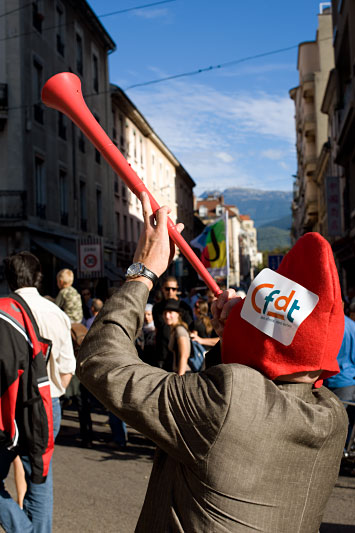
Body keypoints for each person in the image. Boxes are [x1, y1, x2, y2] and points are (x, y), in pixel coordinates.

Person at [77, 192, 347, 533]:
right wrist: (236, 337)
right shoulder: (333, 417)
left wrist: (142, 272)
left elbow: (100, 361)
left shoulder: (229, 399)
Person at [3, 252, 76, 533]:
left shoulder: (3, 309)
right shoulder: (55, 313)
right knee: (40, 475)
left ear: (9, 279)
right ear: (38, 277)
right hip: (48, 403)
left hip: (7, 403)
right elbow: (68, 368)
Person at [324, 314, 355, 450]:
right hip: (347, 380)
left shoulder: (331, 323)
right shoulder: (352, 326)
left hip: (331, 379)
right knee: (344, 422)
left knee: (331, 423)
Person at [153, 276, 193, 370]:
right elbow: (158, 329)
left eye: (173, 289)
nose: (170, 291)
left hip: (179, 356)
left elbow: (191, 329)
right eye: (167, 289)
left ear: (177, 289)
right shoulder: (157, 307)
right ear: (162, 289)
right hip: (162, 354)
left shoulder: (184, 307)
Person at [163, 298, 191, 375]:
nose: (167, 316)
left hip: (184, 373)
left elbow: (184, 355)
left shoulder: (179, 330)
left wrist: (180, 377)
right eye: (165, 313)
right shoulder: (174, 330)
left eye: (170, 312)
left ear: (178, 314)